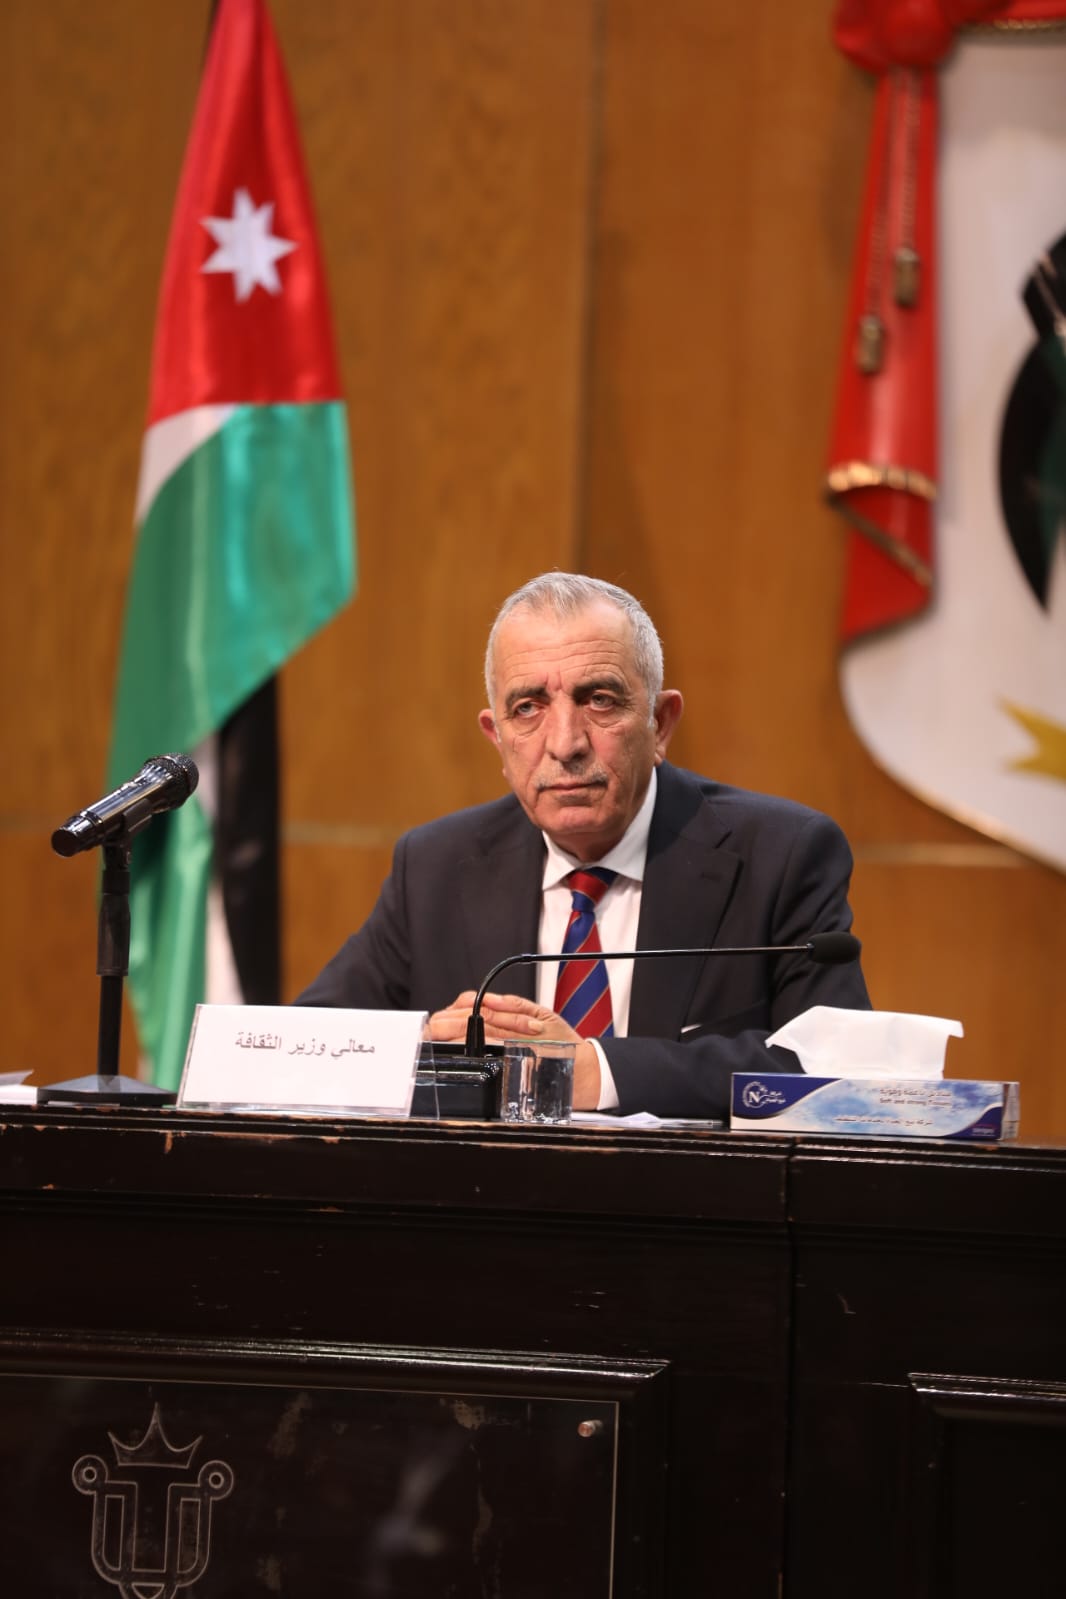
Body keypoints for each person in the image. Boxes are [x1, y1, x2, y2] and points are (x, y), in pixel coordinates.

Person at [297, 573, 870, 1118]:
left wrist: (596, 1071)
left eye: (599, 700)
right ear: (497, 738)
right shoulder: (437, 867)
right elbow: (302, 1045)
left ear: (661, 724)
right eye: (527, 709)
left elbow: (836, 1069)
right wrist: (423, 1047)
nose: (566, 744)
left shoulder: (781, 856)